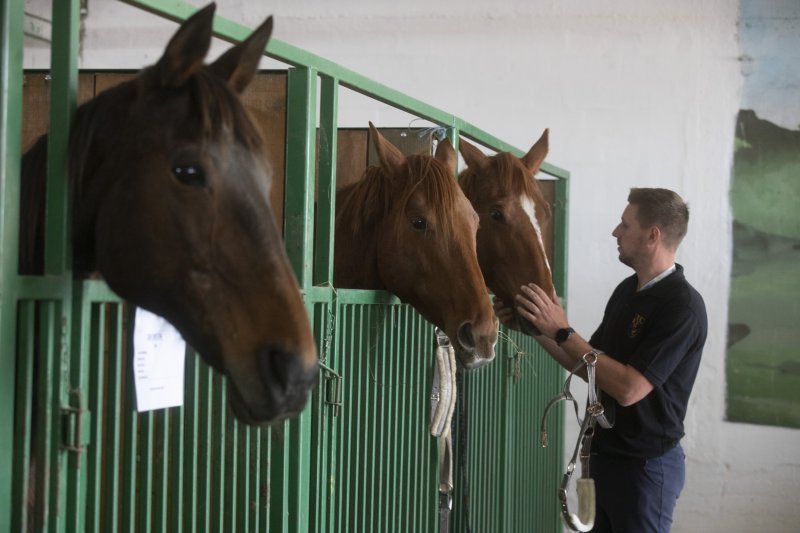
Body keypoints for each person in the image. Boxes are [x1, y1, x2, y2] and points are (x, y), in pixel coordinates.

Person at [495, 188, 707, 533]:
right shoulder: (628, 290)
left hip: (645, 468)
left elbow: (627, 388)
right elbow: (586, 367)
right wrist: (532, 328)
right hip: (605, 460)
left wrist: (562, 329)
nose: (615, 232)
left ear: (652, 235)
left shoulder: (682, 307)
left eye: (625, 224)